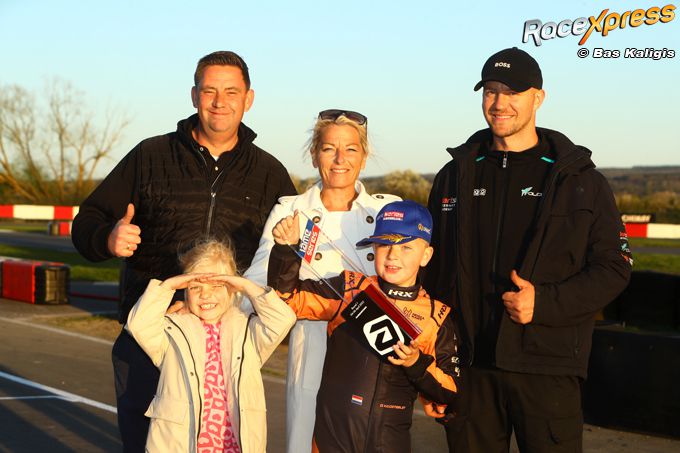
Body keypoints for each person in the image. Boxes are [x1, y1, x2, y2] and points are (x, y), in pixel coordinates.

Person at [71, 50, 296, 451]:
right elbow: (87, 220)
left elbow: (285, 259)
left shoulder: (269, 173)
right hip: (150, 339)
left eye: (231, 91)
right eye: (209, 91)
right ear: (194, 96)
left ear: (249, 98)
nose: (219, 102)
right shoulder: (150, 156)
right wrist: (108, 237)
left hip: (225, 344)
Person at [425, 47, 633, 452]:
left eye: (512, 92)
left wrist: (546, 303)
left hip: (546, 367)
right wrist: (432, 362)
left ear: (538, 97)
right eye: (491, 91)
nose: (499, 103)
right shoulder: (454, 176)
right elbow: (432, 271)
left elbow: (615, 266)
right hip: (469, 368)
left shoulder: (580, 180)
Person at [245, 109, 399, 452]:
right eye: (329, 149)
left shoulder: (388, 212)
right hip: (312, 345)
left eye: (351, 149)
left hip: (372, 347)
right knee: (307, 441)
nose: (340, 159)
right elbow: (257, 283)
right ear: (314, 155)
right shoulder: (290, 210)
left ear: (364, 157)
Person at [268, 200, 460, 453]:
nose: (393, 255)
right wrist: (286, 250)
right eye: (384, 244)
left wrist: (415, 363)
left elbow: (449, 391)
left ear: (426, 255)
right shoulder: (351, 288)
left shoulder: (437, 315)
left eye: (406, 247)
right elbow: (285, 300)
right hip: (332, 438)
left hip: (389, 441)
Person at [126, 239, 295, 453]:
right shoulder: (171, 331)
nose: (205, 294)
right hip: (180, 445)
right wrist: (167, 286)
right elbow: (138, 324)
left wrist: (247, 287)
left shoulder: (248, 332)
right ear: (185, 289)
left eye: (217, 286)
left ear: (232, 288)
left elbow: (283, 319)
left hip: (235, 446)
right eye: (195, 287)